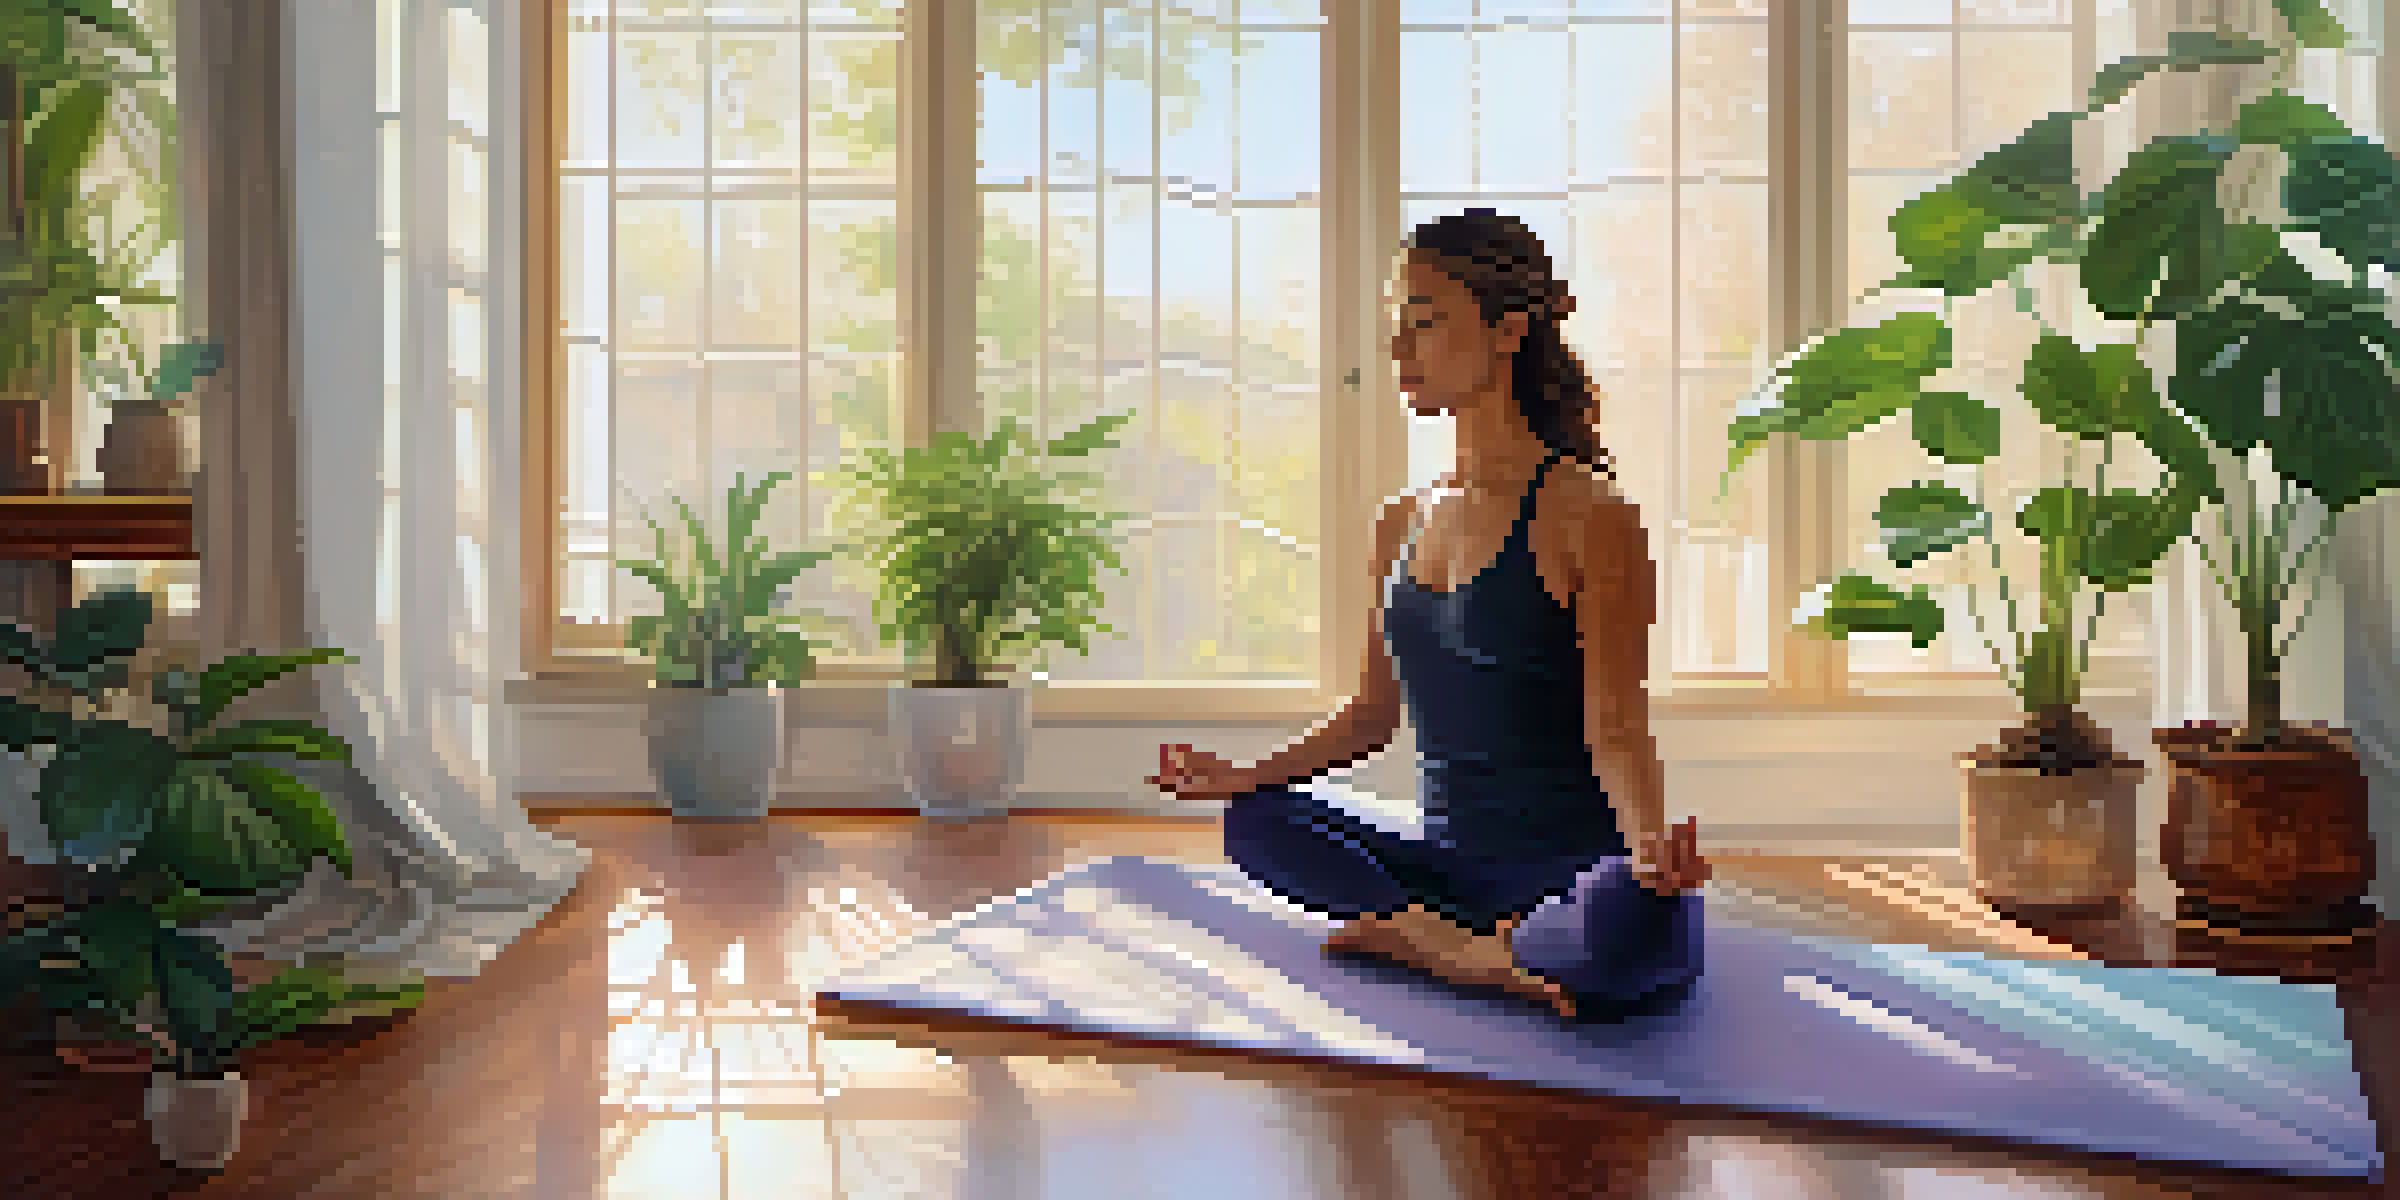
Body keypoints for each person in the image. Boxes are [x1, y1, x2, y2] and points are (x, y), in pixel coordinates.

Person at [1148, 209, 1708, 1022]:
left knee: (1633, 927)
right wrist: (1244, 773)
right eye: (1396, 325)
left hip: (1570, 872)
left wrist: (1651, 853)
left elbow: (1618, 725)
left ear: (1508, 329)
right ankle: (1452, 944)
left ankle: (1481, 943)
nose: (1397, 348)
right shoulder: (1400, 519)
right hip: (1443, 867)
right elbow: (1373, 716)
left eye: (1425, 321)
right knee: (1256, 821)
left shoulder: (1591, 515)